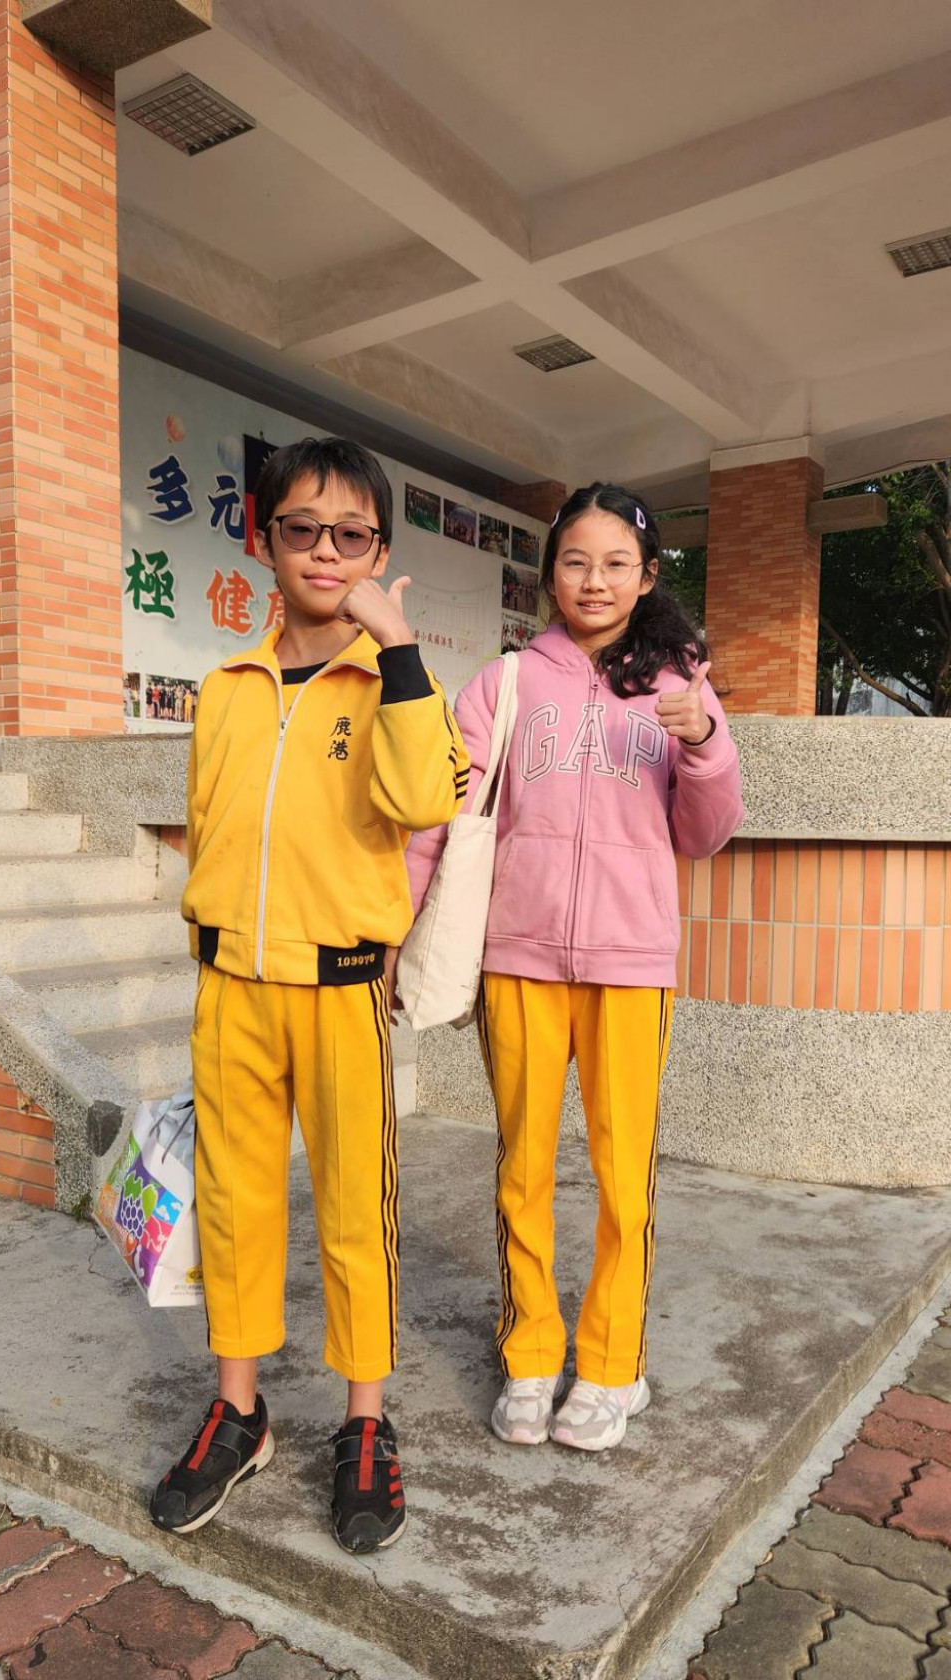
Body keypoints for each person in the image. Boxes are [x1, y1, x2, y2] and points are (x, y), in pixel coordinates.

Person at [152, 436, 468, 1550]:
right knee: (234, 1202)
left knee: (353, 1210)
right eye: (303, 528)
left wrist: (400, 649)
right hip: (232, 986)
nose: (325, 551)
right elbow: (210, 823)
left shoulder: (391, 680)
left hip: (339, 992)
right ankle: (238, 1412)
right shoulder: (226, 687)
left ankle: (365, 1422)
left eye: (351, 535)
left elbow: (426, 798)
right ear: (264, 539)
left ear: (377, 552)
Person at [406, 482, 743, 1454]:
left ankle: (609, 1362)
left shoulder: (679, 686)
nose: (595, 581)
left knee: (621, 1176)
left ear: (647, 576)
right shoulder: (505, 683)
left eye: (616, 564)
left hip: (631, 966)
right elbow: (443, 813)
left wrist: (703, 743)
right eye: (575, 562)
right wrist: (395, 926)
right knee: (521, 1166)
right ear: (549, 573)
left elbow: (707, 832)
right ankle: (529, 1353)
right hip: (518, 961)